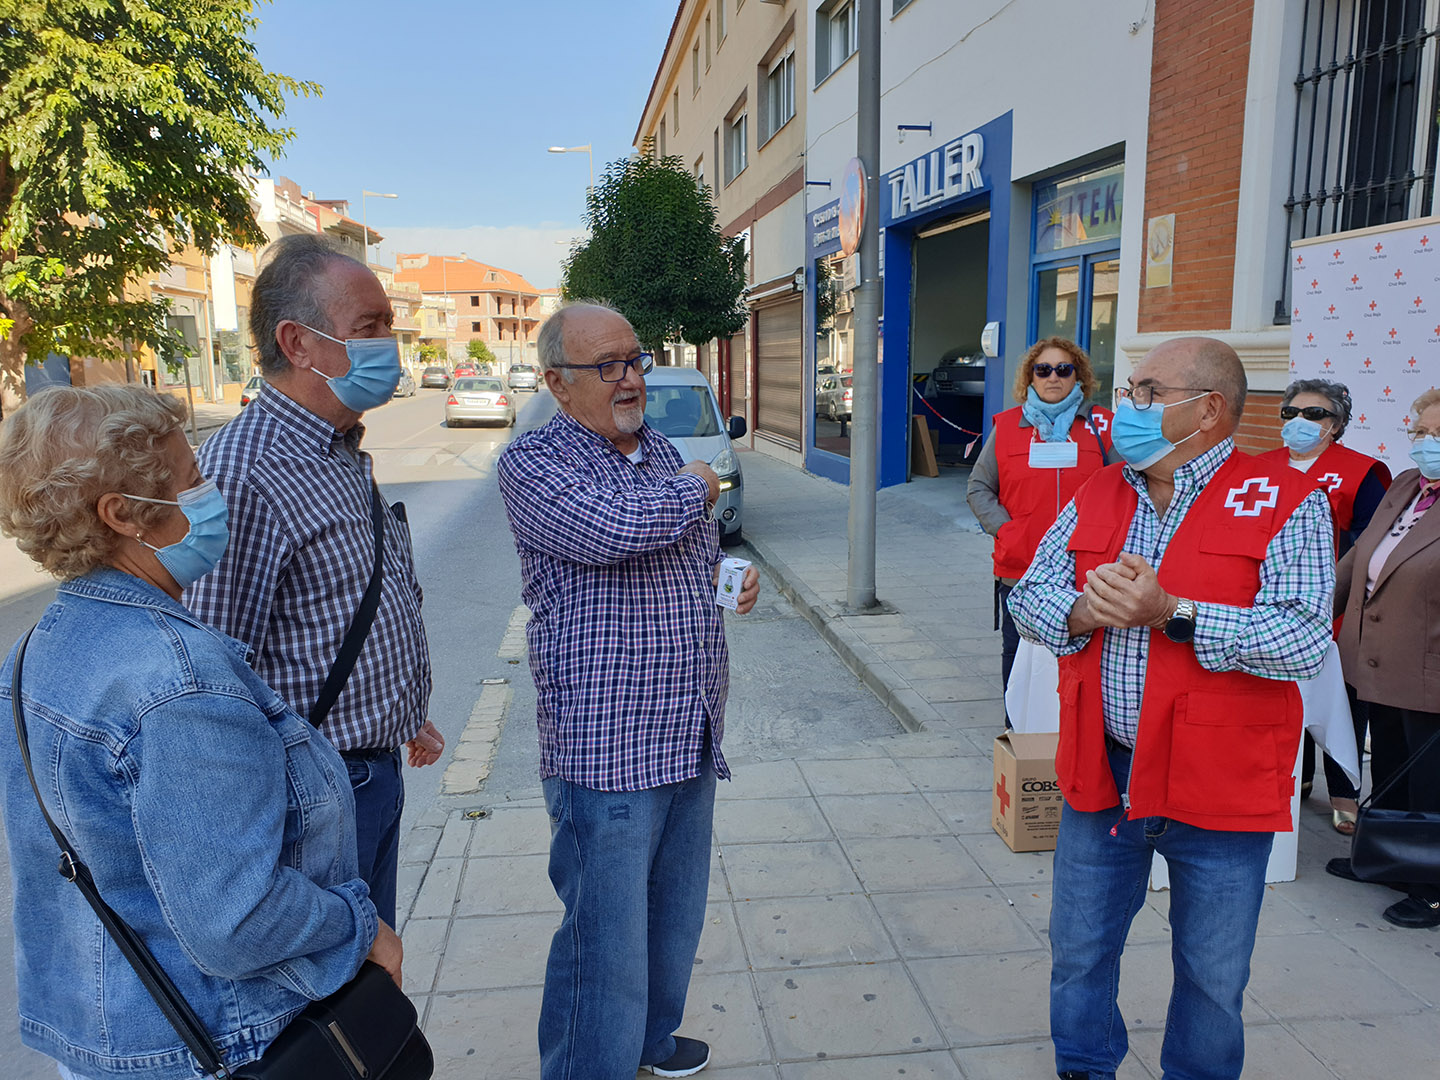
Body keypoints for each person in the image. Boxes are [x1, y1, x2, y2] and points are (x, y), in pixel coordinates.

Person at [0, 385, 400, 1080]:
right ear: (122, 515)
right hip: (208, 1045)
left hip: (106, 1036)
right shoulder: (181, 682)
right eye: (192, 480)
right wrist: (362, 927)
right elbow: (237, 921)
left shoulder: (40, 646)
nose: (212, 494)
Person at [1008, 337, 1334, 1080]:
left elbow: (1304, 640)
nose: (1127, 406)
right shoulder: (1102, 490)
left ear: (1208, 410)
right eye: (1130, 390)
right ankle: (1084, 1066)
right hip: (1105, 775)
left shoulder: (1286, 500)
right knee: (1079, 951)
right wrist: (1083, 612)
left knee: (1213, 977)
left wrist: (1173, 612)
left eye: (1149, 392)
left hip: (1218, 784)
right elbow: (1028, 596)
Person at [496, 302, 760, 1080]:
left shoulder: (663, 452)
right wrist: (699, 486)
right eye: (606, 366)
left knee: (672, 918)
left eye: (635, 360)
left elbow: (688, 552)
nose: (629, 379)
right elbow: (615, 530)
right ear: (557, 382)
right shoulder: (535, 462)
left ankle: (650, 1044)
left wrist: (730, 577)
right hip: (607, 749)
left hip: (687, 730)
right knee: (603, 942)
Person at [186, 234, 443, 927]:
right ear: (298, 343)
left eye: (388, 324)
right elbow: (213, 676)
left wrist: (401, 710)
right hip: (314, 794)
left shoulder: (336, 449)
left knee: (372, 975)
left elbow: (340, 610)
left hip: (366, 774)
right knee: (337, 985)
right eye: (370, 327)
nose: (390, 345)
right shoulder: (245, 472)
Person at [1325, 387, 1440, 929]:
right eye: (1421, 431)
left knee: (1431, 780)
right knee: (1390, 764)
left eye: (1438, 434)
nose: (1426, 442)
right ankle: (1388, 860)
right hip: (1375, 658)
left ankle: (1432, 887)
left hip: (1428, 668)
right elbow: (1359, 555)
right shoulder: (1407, 484)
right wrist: (1314, 609)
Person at [1257, 378, 1391, 833]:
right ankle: (1300, 778)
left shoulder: (1360, 471)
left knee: (1341, 699)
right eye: (1291, 412)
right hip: (1267, 603)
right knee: (1282, 694)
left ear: (1336, 423)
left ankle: (1344, 793)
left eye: (1314, 414)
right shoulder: (1259, 467)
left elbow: (1373, 542)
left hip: (1335, 606)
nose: (1299, 421)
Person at [966, 337, 1112, 714]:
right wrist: (1007, 531)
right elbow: (979, 487)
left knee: (1082, 657)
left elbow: (1126, 488)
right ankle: (1018, 734)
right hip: (1022, 567)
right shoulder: (1007, 426)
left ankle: (1075, 734)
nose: (1053, 377)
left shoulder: (1101, 427)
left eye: (1064, 369)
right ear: (1030, 377)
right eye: (1043, 369)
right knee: (1019, 653)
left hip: (1087, 571)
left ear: (1078, 376)